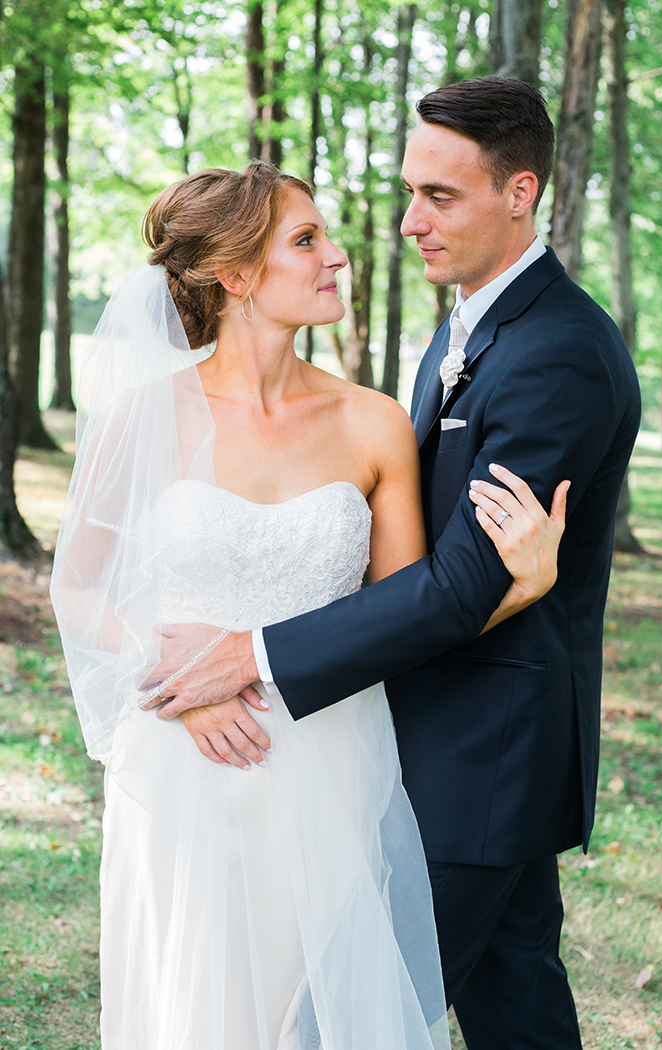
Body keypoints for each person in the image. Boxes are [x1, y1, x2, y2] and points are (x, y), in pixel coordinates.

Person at [148, 78, 642, 1050]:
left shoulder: (556, 353)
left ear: (519, 192)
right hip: (443, 737)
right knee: (518, 1012)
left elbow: (467, 580)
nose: (410, 220)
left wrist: (253, 653)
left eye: (440, 197)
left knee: (334, 1028)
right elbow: (421, 559)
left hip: (478, 756)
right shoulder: (462, 328)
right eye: (410, 191)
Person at [51, 160, 566, 1050]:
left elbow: (406, 612)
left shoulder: (372, 423)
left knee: (306, 1020)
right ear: (236, 275)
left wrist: (524, 583)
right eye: (307, 240)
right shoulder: (143, 415)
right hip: (183, 760)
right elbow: (79, 585)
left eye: (325, 235)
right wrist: (184, 679)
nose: (338, 256)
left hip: (332, 762)